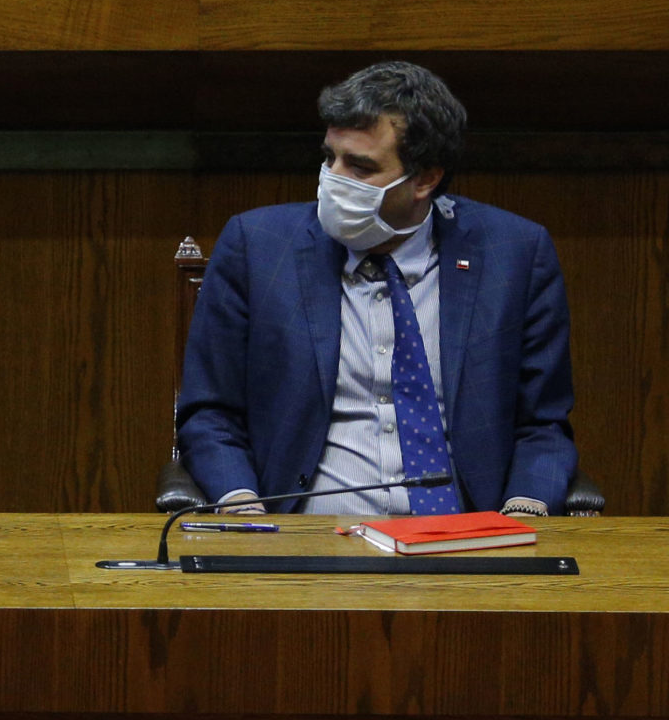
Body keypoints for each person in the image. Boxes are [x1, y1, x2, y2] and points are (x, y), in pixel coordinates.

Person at [175, 62, 579, 517]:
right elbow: (210, 413)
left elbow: (543, 424)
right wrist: (240, 501)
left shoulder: (515, 255)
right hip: (310, 535)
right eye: (330, 158)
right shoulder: (258, 248)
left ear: (425, 179)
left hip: (464, 536)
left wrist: (526, 507)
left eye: (360, 167)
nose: (333, 179)